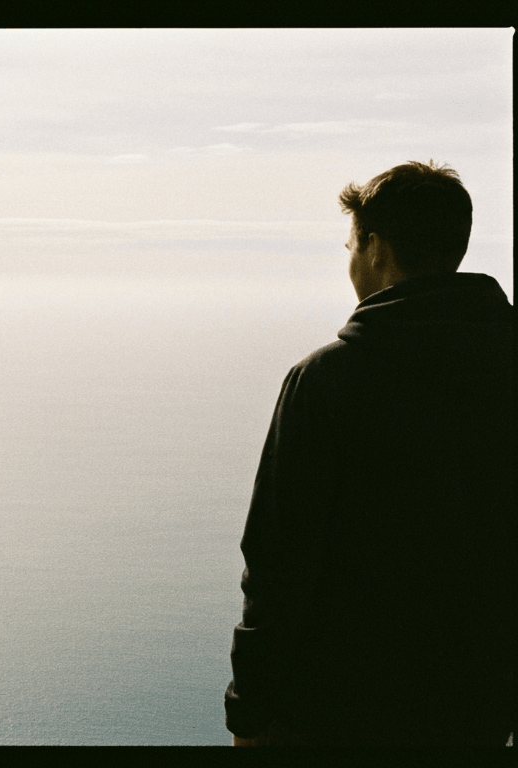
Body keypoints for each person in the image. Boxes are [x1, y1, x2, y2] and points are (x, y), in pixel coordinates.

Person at [224, 161, 514, 746]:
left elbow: (278, 567)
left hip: (341, 715)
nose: (351, 260)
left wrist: (249, 713)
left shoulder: (328, 381)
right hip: (480, 710)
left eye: (352, 244)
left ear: (377, 248)